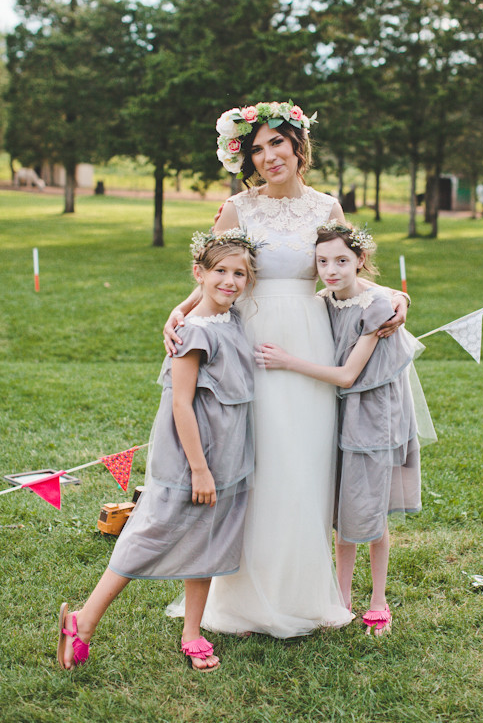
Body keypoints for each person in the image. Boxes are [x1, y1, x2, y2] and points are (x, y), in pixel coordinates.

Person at [163, 101, 410, 638]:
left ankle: (302, 592)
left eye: (277, 143)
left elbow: (345, 269)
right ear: (246, 157)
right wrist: (181, 310)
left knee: (303, 462)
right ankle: (244, 596)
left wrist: (394, 296)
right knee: (255, 461)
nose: (268, 156)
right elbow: (217, 274)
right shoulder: (237, 208)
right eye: (256, 148)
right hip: (249, 343)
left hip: (309, 343)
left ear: (299, 147)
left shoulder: (327, 206)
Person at [57, 231, 258, 672]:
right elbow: (181, 405)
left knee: (209, 536)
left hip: (228, 452)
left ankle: (192, 631)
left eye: (239, 273)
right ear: (199, 273)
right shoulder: (193, 332)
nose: (229, 281)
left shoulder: (232, 319)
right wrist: (199, 469)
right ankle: (84, 621)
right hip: (191, 457)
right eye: (220, 271)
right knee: (152, 532)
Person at [255, 221, 436, 637]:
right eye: (322, 262)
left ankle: (378, 600)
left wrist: (286, 361)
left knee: (369, 510)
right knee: (342, 510)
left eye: (341, 260)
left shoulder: (376, 308)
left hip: (371, 417)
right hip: (336, 413)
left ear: (360, 260)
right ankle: (341, 598)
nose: (331, 270)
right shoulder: (325, 301)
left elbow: (348, 375)